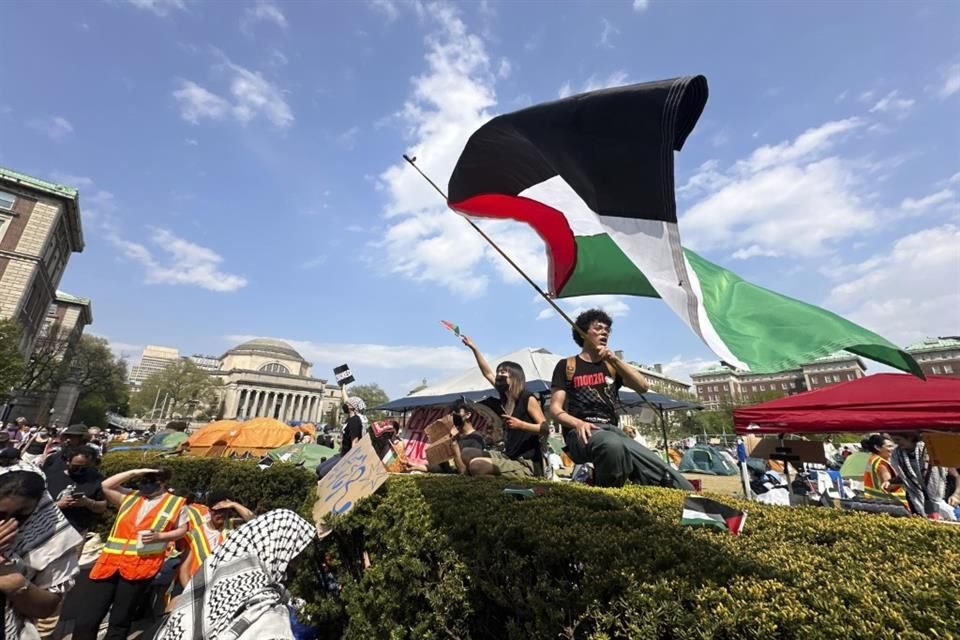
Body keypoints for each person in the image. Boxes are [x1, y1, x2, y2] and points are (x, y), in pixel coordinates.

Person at [548, 309, 693, 489]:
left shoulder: (612, 366)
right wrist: (577, 423)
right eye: (598, 328)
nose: (604, 332)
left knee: (675, 480)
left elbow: (642, 386)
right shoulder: (567, 366)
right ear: (583, 333)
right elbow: (555, 409)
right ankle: (609, 502)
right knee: (611, 445)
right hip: (581, 434)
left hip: (614, 431)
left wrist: (615, 360)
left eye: (607, 330)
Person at [155, 509, 317, 640]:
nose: (299, 558)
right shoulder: (265, 613)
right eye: (296, 550)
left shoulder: (213, 581)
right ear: (278, 549)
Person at [71, 467, 188, 640]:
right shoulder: (131, 497)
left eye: (151, 481)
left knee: (120, 620)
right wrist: (135, 472)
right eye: (144, 481)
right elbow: (105, 486)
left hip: (140, 568)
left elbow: (182, 530)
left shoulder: (175, 503)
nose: (145, 485)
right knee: (87, 618)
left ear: (162, 483)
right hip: (109, 565)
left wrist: (160, 536)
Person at [0, 461, 83, 640]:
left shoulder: (53, 540)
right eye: (0, 514)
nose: (9, 524)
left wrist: (19, 586)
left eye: (21, 515)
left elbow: (46, 609)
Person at [461, 336, 547, 478]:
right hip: (508, 455)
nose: (498, 375)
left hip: (526, 462)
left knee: (477, 465)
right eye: (498, 372)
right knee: (467, 453)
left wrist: (521, 425)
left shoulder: (527, 398)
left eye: (503, 372)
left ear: (515, 377)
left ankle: (497, 485)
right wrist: (474, 348)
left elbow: (545, 429)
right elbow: (487, 372)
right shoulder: (505, 397)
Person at [178, 491, 255, 588]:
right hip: (199, 586)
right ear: (209, 511)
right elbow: (184, 570)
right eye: (217, 511)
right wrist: (190, 592)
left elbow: (256, 523)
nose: (220, 514)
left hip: (224, 587)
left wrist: (234, 504)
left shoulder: (232, 528)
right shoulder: (194, 534)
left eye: (224, 511)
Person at [49, 446, 107, 536]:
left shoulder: (95, 479)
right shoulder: (51, 478)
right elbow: (37, 508)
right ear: (68, 462)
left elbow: (102, 507)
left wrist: (88, 502)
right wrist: (59, 504)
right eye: (75, 467)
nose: (79, 471)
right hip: (52, 529)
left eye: (84, 468)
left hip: (78, 531)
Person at [889, 432, 949, 518]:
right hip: (916, 496)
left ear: (910, 437)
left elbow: (954, 474)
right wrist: (891, 481)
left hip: (940, 494)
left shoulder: (930, 450)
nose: (896, 443)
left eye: (898, 439)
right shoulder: (898, 454)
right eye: (894, 440)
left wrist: (956, 493)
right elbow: (908, 476)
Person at [861, 434, 909, 507]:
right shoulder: (882, 464)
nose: (893, 449)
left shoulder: (872, 459)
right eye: (889, 446)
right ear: (877, 447)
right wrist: (908, 480)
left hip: (875, 502)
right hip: (894, 504)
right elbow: (887, 486)